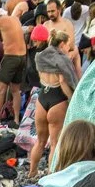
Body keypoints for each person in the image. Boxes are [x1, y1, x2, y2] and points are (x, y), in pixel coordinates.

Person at [30, 29, 79, 173]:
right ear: (62, 44)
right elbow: (64, 81)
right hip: (57, 100)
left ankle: (32, 172)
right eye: (67, 46)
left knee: (39, 142)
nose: (68, 49)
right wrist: (72, 98)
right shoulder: (62, 60)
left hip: (42, 99)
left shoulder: (40, 57)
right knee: (54, 144)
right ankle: (51, 175)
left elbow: (40, 78)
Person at [0, 5, 27, 122]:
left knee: (0, 90)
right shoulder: (15, 19)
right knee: (15, 90)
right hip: (22, 57)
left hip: (11, 57)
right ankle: (16, 119)